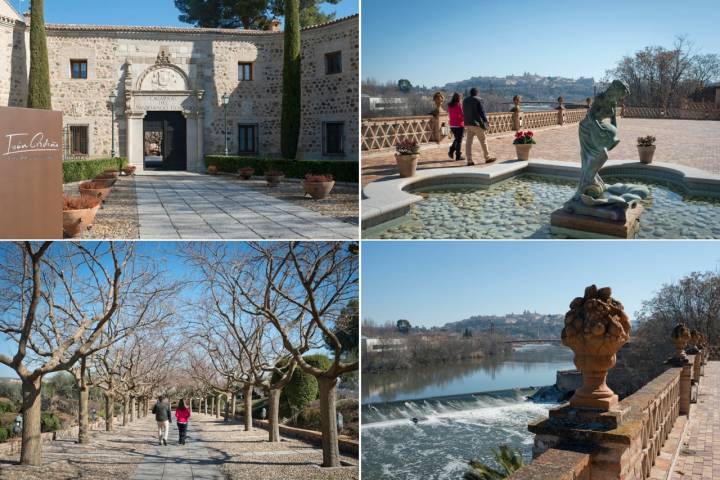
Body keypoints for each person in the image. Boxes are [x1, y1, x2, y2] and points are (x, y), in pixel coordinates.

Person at [462, 87, 496, 165]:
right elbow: (482, 112)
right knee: (483, 141)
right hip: (477, 124)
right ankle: (487, 158)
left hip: (468, 124)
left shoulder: (465, 101)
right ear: (477, 93)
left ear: (470, 93)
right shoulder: (478, 100)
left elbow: (464, 111)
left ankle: (469, 160)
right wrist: (486, 122)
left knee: (468, 143)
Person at [447, 92, 465, 161]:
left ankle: (451, 150)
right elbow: (462, 115)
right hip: (459, 125)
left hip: (452, 125)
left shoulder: (449, 105)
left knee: (457, 139)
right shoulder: (458, 105)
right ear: (458, 98)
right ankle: (458, 156)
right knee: (459, 141)